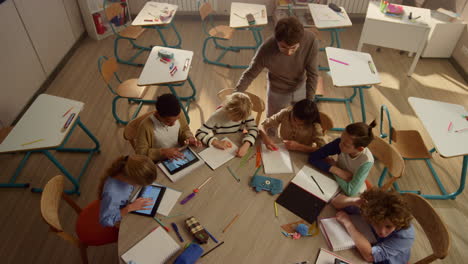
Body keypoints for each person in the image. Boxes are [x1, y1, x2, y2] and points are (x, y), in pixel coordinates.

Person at [235, 16, 319, 117]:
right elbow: (250, 74)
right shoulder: (266, 50)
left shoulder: (311, 40)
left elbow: (313, 74)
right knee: (271, 122)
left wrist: (309, 101)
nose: (289, 52)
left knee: (298, 119)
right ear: (276, 40)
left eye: (293, 48)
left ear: (300, 42)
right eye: (283, 47)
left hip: (300, 87)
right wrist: (236, 94)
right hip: (277, 91)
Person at [335, 188, 415, 264]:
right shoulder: (373, 212)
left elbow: (370, 256)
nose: (382, 232)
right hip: (368, 243)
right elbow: (335, 201)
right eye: (377, 224)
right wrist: (352, 201)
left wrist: (348, 224)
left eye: (388, 226)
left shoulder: (406, 235)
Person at [308, 121, 376, 208]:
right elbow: (313, 157)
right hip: (336, 181)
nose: (340, 144)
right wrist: (338, 171)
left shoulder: (366, 161)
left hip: (350, 195)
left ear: (359, 149)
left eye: (345, 144)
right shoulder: (341, 143)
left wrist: (335, 170)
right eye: (341, 138)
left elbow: (351, 191)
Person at [135, 93, 201, 162]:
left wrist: (189, 137)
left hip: (178, 154)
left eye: (177, 119)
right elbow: (140, 153)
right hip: (160, 161)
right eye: (168, 121)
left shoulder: (179, 113)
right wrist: (162, 152)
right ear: (158, 114)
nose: (173, 124)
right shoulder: (145, 126)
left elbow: (185, 129)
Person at [98, 155, 158, 227]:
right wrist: (129, 208)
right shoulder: (112, 194)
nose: (137, 186)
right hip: (120, 218)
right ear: (131, 178)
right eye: (138, 184)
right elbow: (105, 221)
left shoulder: (127, 166)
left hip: (128, 202)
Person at [196, 92, 258, 157]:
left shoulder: (246, 113)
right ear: (227, 110)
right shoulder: (217, 115)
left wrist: (247, 144)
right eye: (234, 119)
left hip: (235, 140)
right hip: (219, 141)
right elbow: (199, 133)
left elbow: (254, 129)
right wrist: (216, 142)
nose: (238, 121)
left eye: (241, 119)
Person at [260, 99, 326, 152]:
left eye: (302, 124)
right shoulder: (286, 113)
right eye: (294, 119)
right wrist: (265, 138)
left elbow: (324, 150)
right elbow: (262, 125)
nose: (295, 124)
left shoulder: (315, 126)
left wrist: (300, 147)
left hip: (303, 155)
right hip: (283, 149)